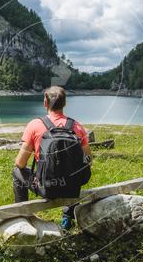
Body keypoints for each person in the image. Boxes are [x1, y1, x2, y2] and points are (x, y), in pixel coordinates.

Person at [13, 86, 91, 230]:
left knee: (17, 172)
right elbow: (87, 160)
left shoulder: (35, 125)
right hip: (72, 188)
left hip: (46, 188)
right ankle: (68, 216)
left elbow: (20, 163)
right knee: (72, 171)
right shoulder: (77, 127)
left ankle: (22, 216)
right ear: (65, 103)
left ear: (45, 103)